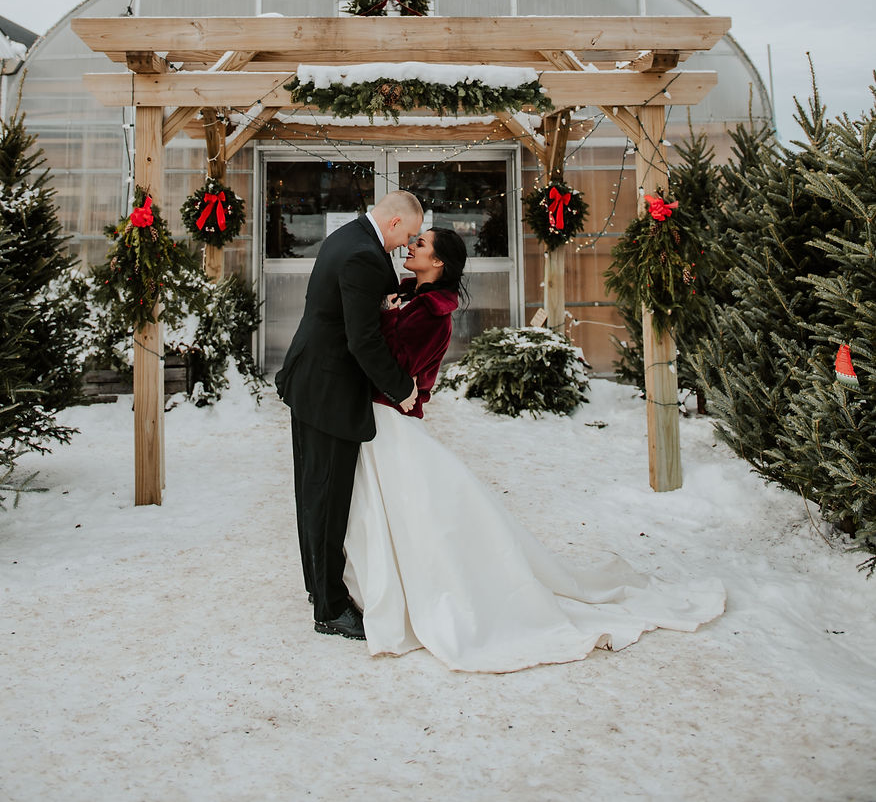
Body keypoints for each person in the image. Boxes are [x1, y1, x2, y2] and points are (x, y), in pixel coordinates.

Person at [344, 226, 726, 672]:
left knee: (412, 514)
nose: (411, 246)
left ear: (439, 262)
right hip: (383, 417)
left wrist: (384, 320)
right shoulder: (412, 296)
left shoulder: (431, 312)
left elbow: (399, 368)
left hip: (392, 419)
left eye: (422, 243)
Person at [274, 190, 424, 641]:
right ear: (395, 223)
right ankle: (330, 608)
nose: (406, 246)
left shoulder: (349, 238)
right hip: (328, 390)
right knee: (326, 497)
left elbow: (348, 315)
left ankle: (317, 586)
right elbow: (362, 341)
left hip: (314, 381)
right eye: (409, 236)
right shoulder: (362, 253)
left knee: (314, 492)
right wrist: (403, 389)